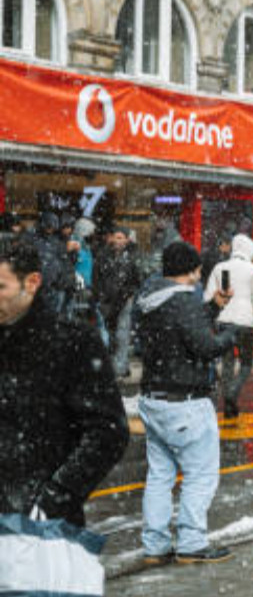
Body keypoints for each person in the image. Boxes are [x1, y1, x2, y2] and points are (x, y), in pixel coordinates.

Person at [0, 236, 129, 529]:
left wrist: (54, 498)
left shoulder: (72, 341)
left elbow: (108, 432)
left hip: (39, 524)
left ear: (32, 282)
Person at [133, 241, 237, 564]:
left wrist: (212, 308)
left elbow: (178, 330)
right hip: (185, 401)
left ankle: (155, 545)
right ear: (193, 269)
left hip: (153, 398)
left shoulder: (150, 299)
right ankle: (192, 543)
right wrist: (232, 335)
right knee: (200, 474)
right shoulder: (184, 302)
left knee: (160, 475)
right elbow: (205, 346)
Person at [204, 234, 253, 419]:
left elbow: (208, 296)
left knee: (227, 363)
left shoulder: (219, 268)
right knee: (246, 364)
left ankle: (228, 403)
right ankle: (232, 394)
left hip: (223, 321)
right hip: (245, 323)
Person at [94, 225, 143, 378]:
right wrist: (100, 296)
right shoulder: (103, 255)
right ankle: (112, 365)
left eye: (121, 237)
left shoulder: (133, 256)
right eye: (115, 236)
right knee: (109, 335)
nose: (117, 240)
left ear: (127, 239)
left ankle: (119, 367)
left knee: (122, 334)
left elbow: (137, 279)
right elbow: (96, 278)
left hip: (125, 300)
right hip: (106, 300)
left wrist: (130, 294)